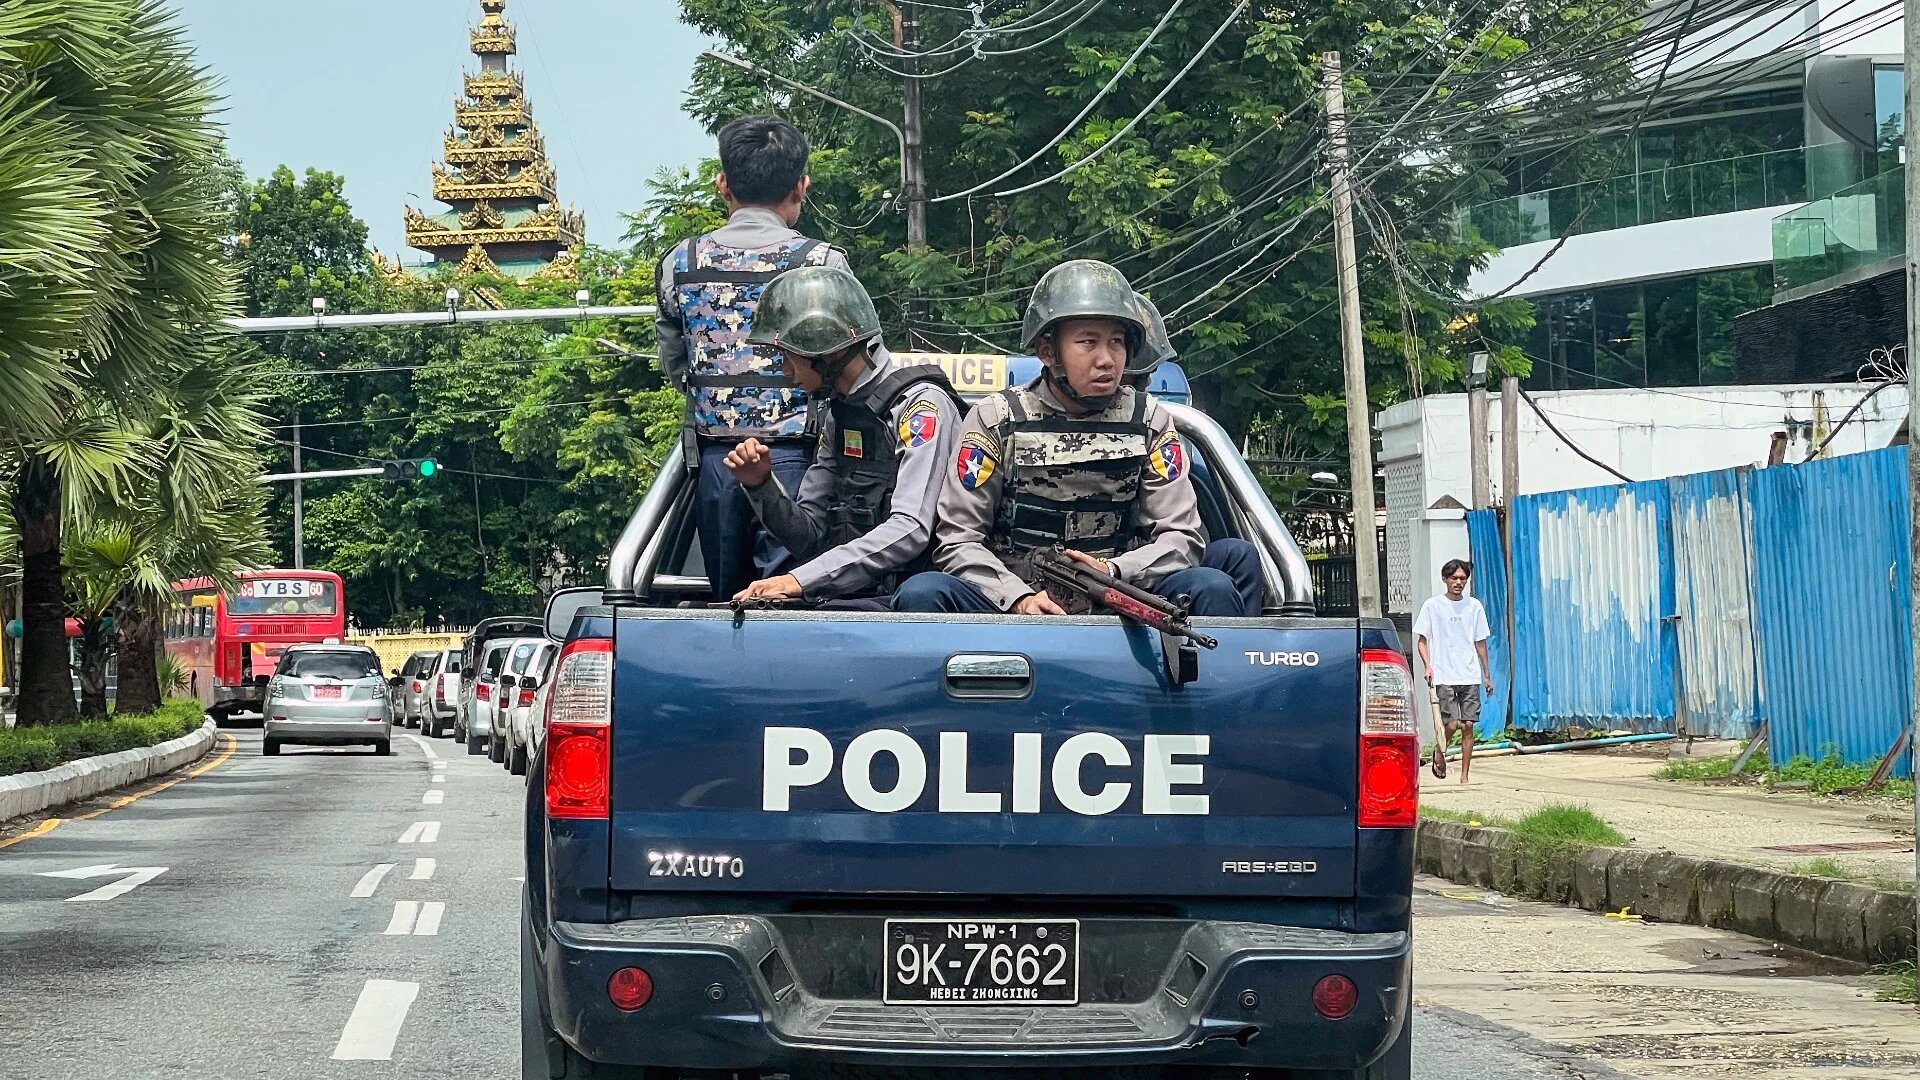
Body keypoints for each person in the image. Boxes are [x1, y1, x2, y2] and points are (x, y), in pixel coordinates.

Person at [895, 260, 1253, 617]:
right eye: (1088, 342)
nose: (1106, 359)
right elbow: (959, 539)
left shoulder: (1149, 419)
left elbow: (1181, 536)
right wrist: (1018, 598)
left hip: (1121, 593)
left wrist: (1112, 572)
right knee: (923, 593)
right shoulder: (996, 419)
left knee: (1212, 587)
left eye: (1116, 342)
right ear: (1048, 352)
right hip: (1013, 597)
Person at [655, 116, 850, 600]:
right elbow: (851, 366)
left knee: (728, 608)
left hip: (717, 463)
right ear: (800, 185)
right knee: (790, 603)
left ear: (723, 184)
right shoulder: (823, 264)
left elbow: (676, 366)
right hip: (800, 466)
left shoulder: (680, 262)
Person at [722, 266, 966, 606]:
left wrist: (799, 580)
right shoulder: (841, 414)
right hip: (857, 601)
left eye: (788, 356)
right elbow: (809, 536)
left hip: (918, 605)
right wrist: (760, 484)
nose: (784, 370)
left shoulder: (921, 408)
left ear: (827, 351)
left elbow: (911, 528)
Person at [1127, 291, 1265, 615]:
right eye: (1138, 374)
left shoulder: (1155, 427)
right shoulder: (1018, 425)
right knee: (1211, 585)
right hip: (1086, 573)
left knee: (1239, 554)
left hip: (1147, 562)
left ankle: (1246, 655)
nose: (1148, 380)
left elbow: (1181, 531)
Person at [1413, 559, 1494, 777]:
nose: (1458, 582)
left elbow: (1480, 643)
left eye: (1462, 578)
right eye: (1454, 578)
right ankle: (1440, 753)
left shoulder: (1474, 606)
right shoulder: (1432, 606)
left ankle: (1464, 776)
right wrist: (1427, 666)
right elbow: (1422, 640)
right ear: (1445, 579)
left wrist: (1487, 675)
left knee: (1468, 725)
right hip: (1443, 674)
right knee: (1450, 724)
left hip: (1468, 673)